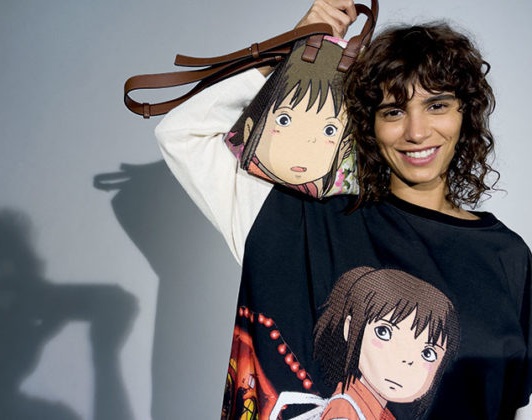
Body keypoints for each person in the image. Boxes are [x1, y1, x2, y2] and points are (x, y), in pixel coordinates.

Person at [155, 0, 532, 418]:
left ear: (466, 114)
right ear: (367, 124)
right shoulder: (296, 220)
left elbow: (508, 405)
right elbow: (183, 133)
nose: (416, 131)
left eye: (437, 105)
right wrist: (295, 52)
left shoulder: (508, 256)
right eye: (393, 111)